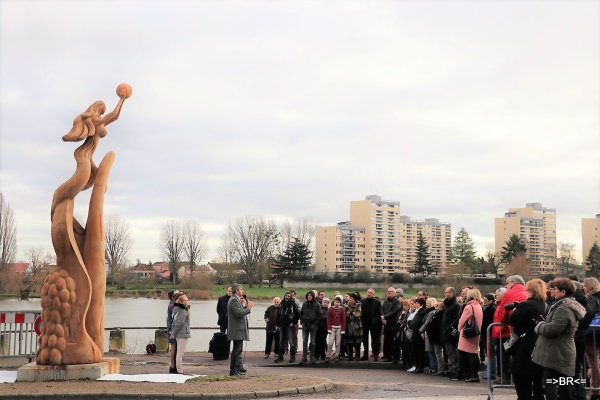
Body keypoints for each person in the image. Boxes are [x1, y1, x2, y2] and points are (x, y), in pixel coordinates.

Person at [532, 277, 586, 400]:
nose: (552, 291)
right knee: (564, 383)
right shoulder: (561, 306)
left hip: (557, 352)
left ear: (563, 292)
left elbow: (553, 329)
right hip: (559, 351)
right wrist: (545, 322)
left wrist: (539, 325)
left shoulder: (563, 308)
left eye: (555, 289)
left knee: (552, 382)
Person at [507, 279, 548, 400]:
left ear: (530, 291)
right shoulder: (546, 305)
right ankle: (538, 396)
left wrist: (514, 311)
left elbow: (513, 320)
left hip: (525, 343)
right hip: (540, 342)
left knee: (520, 372)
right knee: (537, 374)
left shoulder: (526, 305)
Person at [492, 275, 528, 385]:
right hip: (530, 329)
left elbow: (502, 314)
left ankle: (506, 378)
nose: (506, 286)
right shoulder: (527, 292)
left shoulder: (509, 294)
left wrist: (499, 328)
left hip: (514, 329)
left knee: (507, 355)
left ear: (513, 282)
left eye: (507, 283)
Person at [453, 289, 483, 383]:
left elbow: (462, 320)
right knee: (472, 354)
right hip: (475, 332)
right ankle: (471, 374)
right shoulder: (478, 306)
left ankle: (471, 375)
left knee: (469, 354)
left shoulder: (469, 306)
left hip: (467, 333)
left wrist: (458, 328)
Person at [227, 283, 254, 376]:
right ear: (237, 291)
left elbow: (240, 311)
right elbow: (239, 313)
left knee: (238, 350)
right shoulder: (234, 300)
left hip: (239, 329)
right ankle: (233, 370)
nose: (242, 291)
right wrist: (248, 308)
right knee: (236, 350)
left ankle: (236, 369)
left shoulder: (236, 300)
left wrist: (244, 305)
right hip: (237, 329)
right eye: (241, 289)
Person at [583, 277, 600, 400]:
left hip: (591, 335)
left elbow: (587, 315)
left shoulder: (591, 299)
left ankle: (595, 391)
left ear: (589, 286)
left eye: (585, 285)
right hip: (597, 334)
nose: (583, 287)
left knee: (593, 364)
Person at [275, 291, 300, 363]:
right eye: (286, 296)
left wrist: (293, 322)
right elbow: (278, 315)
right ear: (284, 296)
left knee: (292, 342)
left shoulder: (293, 305)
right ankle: (280, 356)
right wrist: (277, 324)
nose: (287, 297)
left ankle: (292, 357)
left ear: (291, 297)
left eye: (289, 296)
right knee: (281, 341)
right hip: (282, 325)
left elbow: (298, 315)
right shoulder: (281, 304)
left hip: (290, 325)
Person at [441, 287, 460, 378]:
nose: (444, 294)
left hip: (450, 332)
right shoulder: (448, 304)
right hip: (446, 331)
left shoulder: (455, 305)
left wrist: (449, 328)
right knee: (448, 352)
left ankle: (455, 369)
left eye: (446, 292)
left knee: (452, 352)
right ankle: (451, 368)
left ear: (451, 293)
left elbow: (454, 319)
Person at [170, 293, 191, 374]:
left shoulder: (176, 309)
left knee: (179, 353)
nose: (188, 301)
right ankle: (180, 371)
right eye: (186, 300)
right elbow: (179, 322)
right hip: (182, 333)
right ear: (182, 302)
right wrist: (173, 333)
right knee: (180, 353)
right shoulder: (183, 311)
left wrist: (172, 330)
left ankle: (178, 369)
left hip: (179, 333)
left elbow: (174, 321)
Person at [299, 291, 321, 364]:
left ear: (313, 296)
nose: (309, 297)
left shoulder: (317, 305)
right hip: (305, 325)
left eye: (310, 295)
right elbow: (301, 313)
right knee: (304, 341)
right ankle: (304, 357)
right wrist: (301, 321)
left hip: (313, 326)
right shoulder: (305, 304)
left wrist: (315, 324)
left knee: (313, 342)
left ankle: (312, 357)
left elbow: (319, 315)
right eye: (308, 295)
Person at [407, 297, 427, 373]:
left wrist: (410, 324)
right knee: (415, 350)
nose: (415, 304)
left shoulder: (421, 311)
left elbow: (416, 322)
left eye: (417, 303)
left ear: (421, 304)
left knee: (419, 351)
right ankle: (417, 366)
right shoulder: (416, 311)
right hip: (415, 333)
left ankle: (420, 367)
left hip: (418, 333)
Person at [424, 299, 444, 375]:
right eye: (435, 305)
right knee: (436, 352)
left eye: (437, 305)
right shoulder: (436, 313)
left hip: (437, 336)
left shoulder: (440, 315)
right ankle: (438, 368)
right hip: (434, 336)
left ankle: (440, 369)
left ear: (442, 307)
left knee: (438, 353)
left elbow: (435, 326)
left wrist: (428, 330)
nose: (435, 306)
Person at [361, 288, 382, 361]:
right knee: (365, 339)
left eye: (370, 292)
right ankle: (365, 354)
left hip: (374, 324)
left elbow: (380, 313)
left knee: (375, 339)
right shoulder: (362, 301)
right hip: (365, 323)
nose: (369, 293)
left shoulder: (377, 302)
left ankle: (376, 354)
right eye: (368, 292)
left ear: (373, 294)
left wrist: (377, 320)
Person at [381, 287, 401, 362]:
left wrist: (385, 316)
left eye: (390, 291)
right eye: (388, 291)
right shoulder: (386, 301)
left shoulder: (397, 302)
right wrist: (383, 318)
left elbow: (395, 311)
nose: (388, 292)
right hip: (386, 323)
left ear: (394, 293)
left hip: (393, 323)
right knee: (387, 340)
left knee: (394, 341)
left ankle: (396, 357)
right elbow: (382, 309)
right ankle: (387, 356)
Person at [420, 297, 439, 374]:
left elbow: (426, 323)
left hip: (428, 333)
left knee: (430, 351)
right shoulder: (429, 312)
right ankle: (432, 366)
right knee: (430, 351)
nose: (426, 304)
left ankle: (433, 366)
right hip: (427, 332)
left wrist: (421, 330)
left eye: (427, 303)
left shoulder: (431, 312)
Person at [480, 293, 497, 380]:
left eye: (486, 300)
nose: (484, 302)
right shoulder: (485, 308)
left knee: (491, 353)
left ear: (491, 301)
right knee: (489, 353)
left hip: (489, 333)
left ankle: (492, 372)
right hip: (485, 333)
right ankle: (490, 371)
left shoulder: (492, 309)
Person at [327, 295, 346, 362]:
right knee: (330, 343)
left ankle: (337, 355)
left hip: (339, 328)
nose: (336, 303)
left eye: (338, 302)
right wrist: (329, 328)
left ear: (340, 303)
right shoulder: (331, 309)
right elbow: (329, 319)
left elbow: (343, 320)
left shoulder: (342, 309)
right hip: (332, 327)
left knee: (338, 343)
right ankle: (328, 355)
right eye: (335, 302)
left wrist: (343, 330)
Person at [345, 293, 363, 361]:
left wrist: (350, 314)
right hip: (349, 325)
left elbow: (358, 314)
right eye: (350, 298)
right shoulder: (346, 305)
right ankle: (350, 356)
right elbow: (345, 314)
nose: (350, 300)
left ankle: (357, 356)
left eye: (352, 298)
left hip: (357, 325)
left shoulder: (359, 304)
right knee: (349, 341)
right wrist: (352, 313)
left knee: (357, 342)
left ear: (355, 299)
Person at [166, 290, 180, 373]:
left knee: (174, 347)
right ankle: (172, 366)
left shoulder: (171, 304)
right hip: (172, 329)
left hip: (171, 328)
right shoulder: (172, 305)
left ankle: (173, 365)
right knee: (174, 347)